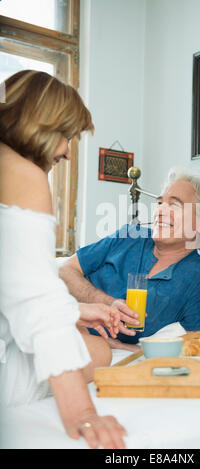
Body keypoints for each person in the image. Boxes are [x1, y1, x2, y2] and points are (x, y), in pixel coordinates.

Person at [0, 70, 138, 449]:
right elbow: (45, 293)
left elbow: (13, 279)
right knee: (93, 348)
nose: (67, 151)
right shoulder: (24, 175)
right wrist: (82, 415)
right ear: (43, 124)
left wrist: (76, 310)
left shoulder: (196, 273)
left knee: (89, 340)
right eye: (68, 137)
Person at [59, 167, 200, 352]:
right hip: (57, 320)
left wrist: (117, 347)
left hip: (86, 349)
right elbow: (64, 270)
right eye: (160, 203)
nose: (160, 211)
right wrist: (108, 302)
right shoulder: (130, 235)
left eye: (174, 205)